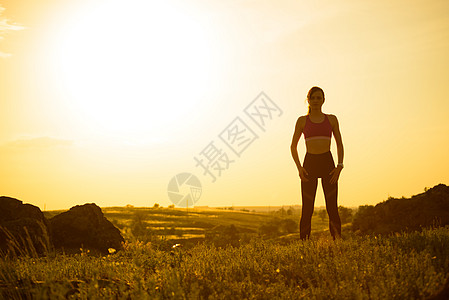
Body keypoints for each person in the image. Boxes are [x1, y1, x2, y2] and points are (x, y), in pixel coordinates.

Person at [290, 86, 344, 240]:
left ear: (323, 100)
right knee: (307, 209)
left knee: (332, 207)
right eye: (312, 98)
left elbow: (339, 144)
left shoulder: (332, 119)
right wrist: (299, 168)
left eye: (318, 98)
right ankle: (305, 245)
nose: (315, 101)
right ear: (308, 100)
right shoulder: (302, 121)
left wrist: (339, 166)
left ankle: (337, 242)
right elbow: (293, 146)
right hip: (309, 164)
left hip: (328, 163)